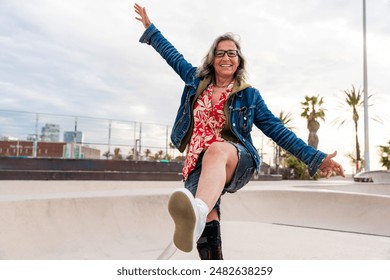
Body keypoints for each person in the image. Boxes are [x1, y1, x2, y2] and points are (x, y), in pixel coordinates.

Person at [134, 3, 345, 260]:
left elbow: (278, 131)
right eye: (220, 53)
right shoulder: (195, 80)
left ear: (239, 61)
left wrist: (315, 156)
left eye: (232, 54)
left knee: (216, 150)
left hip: (236, 159)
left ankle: (199, 209)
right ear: (212, 59)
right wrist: (150, 28)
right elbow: (172, 55)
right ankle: (207, 232)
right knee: (207, 225)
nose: (226, 58)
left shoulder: (249, 95)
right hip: (196, 164)